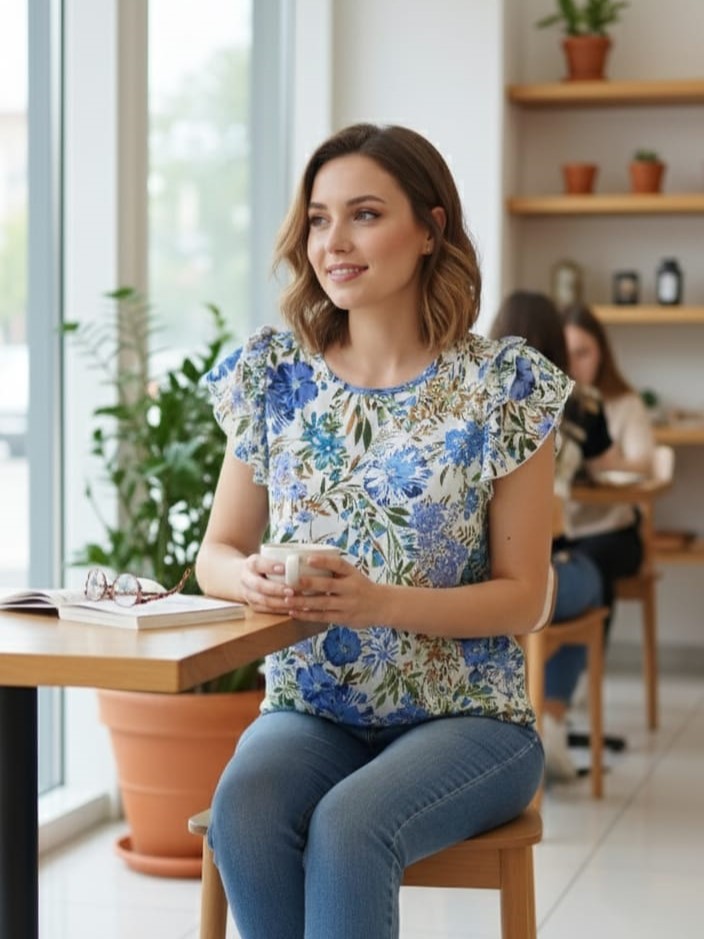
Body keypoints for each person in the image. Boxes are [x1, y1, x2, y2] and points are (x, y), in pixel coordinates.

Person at [195, 124, 572, 939]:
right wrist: (248, 576)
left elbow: (525, 597)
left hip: (469, 720)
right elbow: (215, 554)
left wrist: (377, 602)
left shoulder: (502, 386)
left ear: (430, 229)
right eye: (320, 218)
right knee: (245, 808)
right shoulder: (274, 377)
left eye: (364, 214)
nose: (334, 241)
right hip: (312, 710)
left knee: (351, 827)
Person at [489, 290, 607, 780]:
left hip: (479, 580)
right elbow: (604, 465)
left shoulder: (478, 395)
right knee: (593, 581)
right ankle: (553, 717)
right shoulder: (576, 400)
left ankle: (542, 719)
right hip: (542, 575)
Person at [562, 303, 656, 616]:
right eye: (567, 353)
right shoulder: (550, 405)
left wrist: (605, 461)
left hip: (612, 530)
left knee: (590, 565)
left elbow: (644, 465)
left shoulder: (625, 404)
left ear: (602, 352)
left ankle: (589, 661)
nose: (574, 363)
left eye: (583, 352)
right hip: (561, 528)